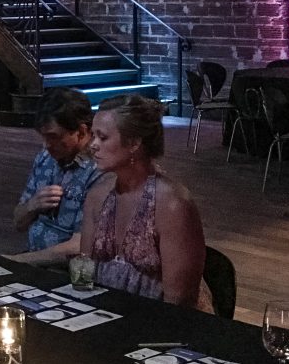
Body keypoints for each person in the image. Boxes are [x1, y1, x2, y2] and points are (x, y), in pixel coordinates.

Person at [79, 95, 206, 308]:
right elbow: (82, 275)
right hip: (105, 317)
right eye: (93, 136)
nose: (92, 145)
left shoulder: (172, 205)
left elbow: (180, 301)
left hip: (162, 327)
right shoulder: (97, 196)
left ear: (134, 143)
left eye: (102, 137)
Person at [8, 88, 101, 267]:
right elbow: (18, 222)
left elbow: (78, 248)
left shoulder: (99, 171)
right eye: (43, 136)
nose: (46, 144)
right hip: (33, 262)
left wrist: (16, 262)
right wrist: (32, 205)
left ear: (81, 131)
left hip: (70, 276)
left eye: (53, 136)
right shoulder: (45, 157)